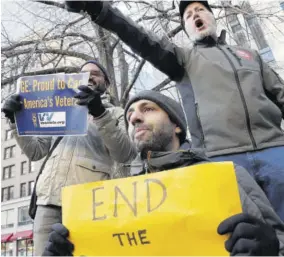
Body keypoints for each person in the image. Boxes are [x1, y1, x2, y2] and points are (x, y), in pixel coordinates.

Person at [64, 0, 284, 220]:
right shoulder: (183, 59)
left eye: (200, 10)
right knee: (245, 240)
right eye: (188, 15)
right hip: (220, 157)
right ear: (186, 28)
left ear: (212, 17)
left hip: (275, 150)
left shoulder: (251, 56)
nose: (194, 15)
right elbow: (142, 39)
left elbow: (280, 94)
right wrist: (98, 9)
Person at [42, 90, 284, 256]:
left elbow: (279, 243)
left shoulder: (227, 175)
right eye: (130, 116)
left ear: (177, 125)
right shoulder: (118, 199)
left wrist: (269, 248)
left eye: (147, 109)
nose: (135, 117)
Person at [1, 60, 129, 255]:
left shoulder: (116, 114)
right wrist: (14, 121)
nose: (89, 76)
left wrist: (99, 113)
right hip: (48, 202)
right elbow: (36, 151)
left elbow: (124, 153)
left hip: (89, 202)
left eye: (95, 73)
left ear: (107, 83)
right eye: (84, 73)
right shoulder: (57, 108)